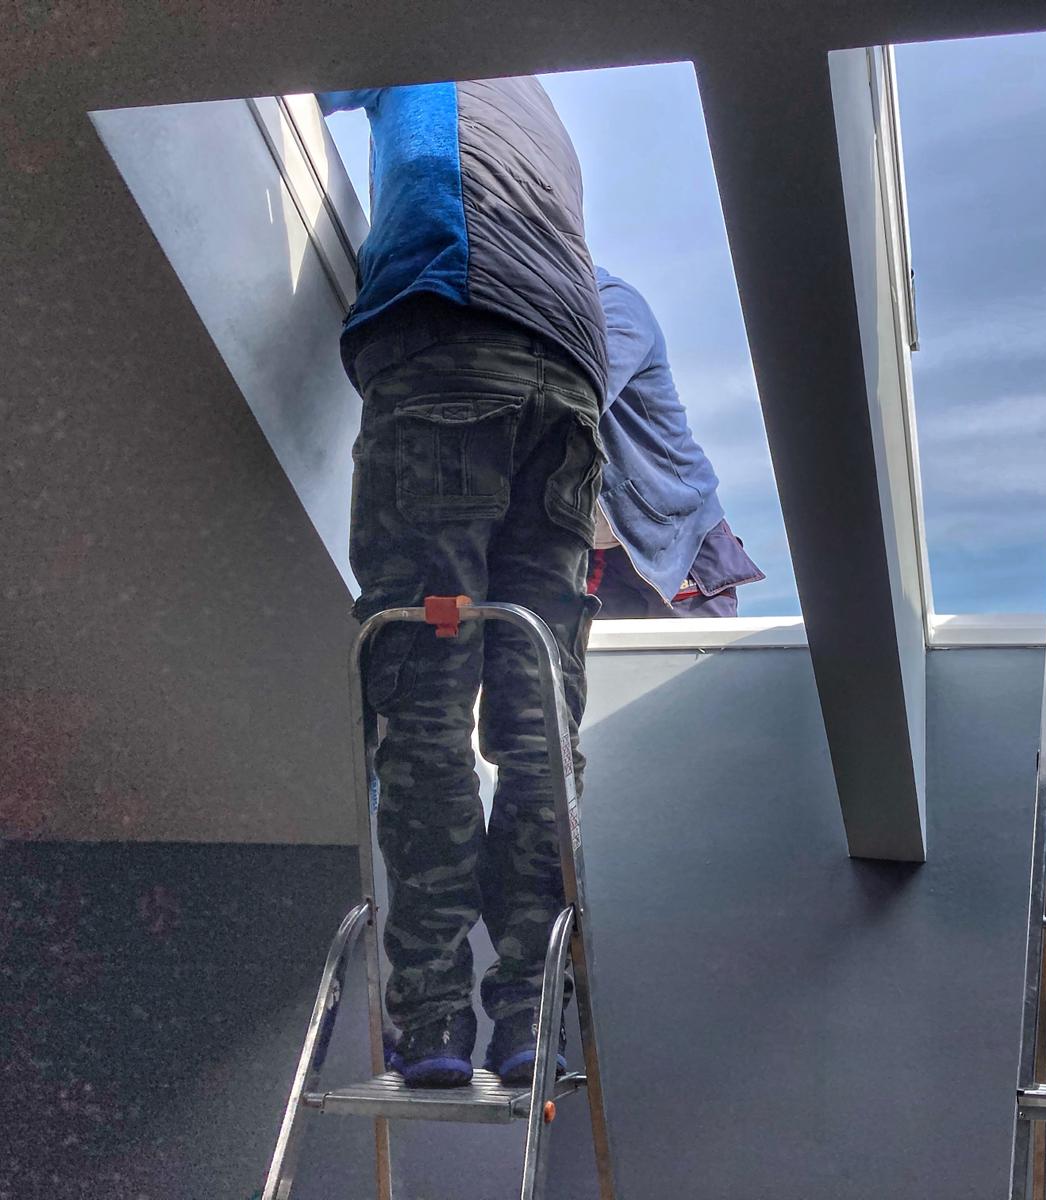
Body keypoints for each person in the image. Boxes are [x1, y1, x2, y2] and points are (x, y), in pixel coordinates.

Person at [319, 78, 605, 1089]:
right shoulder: (544, 110)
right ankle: (533, 1016)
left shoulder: (421, 40)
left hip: (448, 330)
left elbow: (300, 59)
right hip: (570, 375)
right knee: (537, 725)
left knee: (424, 704)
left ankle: (433, 1020)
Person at [587, 266, 764, 617]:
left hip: (674, 539)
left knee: (700, 653)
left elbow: (579, 394)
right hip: (592, 551)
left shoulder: (613, 303)